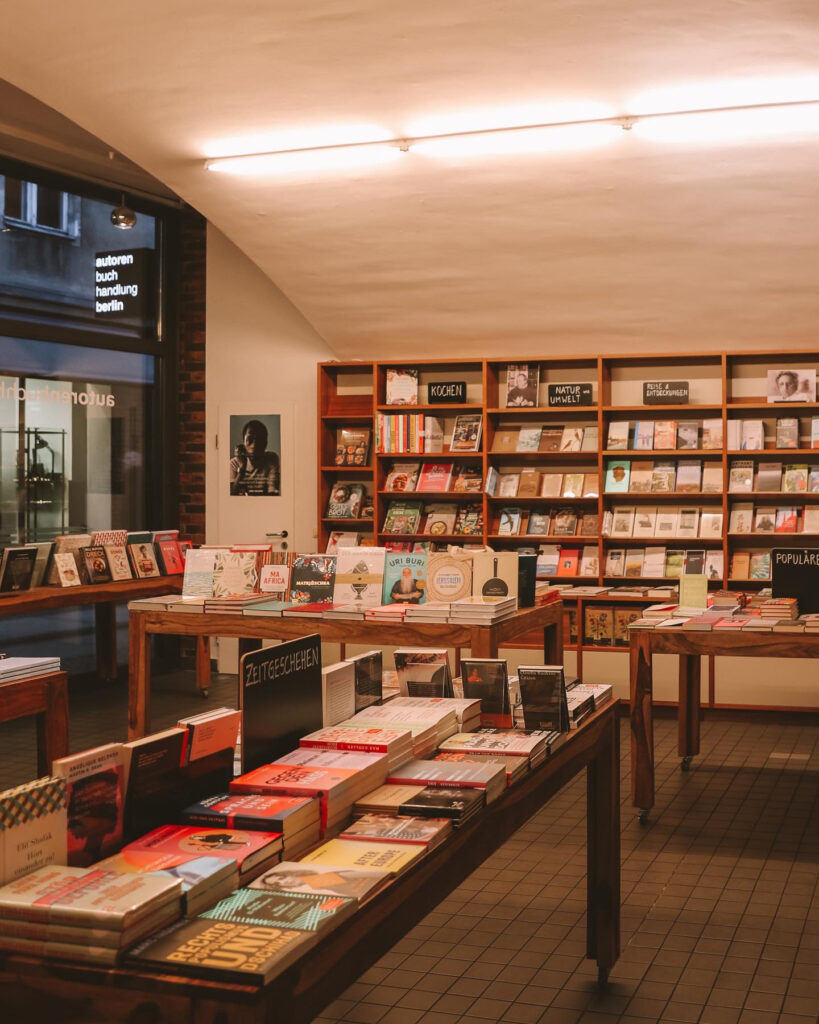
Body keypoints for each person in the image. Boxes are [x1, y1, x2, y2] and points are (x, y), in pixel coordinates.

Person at [230, 419, 280, 495]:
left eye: (259, 439)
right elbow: (231, 495)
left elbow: (273, 493)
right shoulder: (234, 463)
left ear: (265, 443)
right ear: (243, 442)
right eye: (249, 440)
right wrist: (242, 469)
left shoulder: (272, 459)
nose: (254, 445)